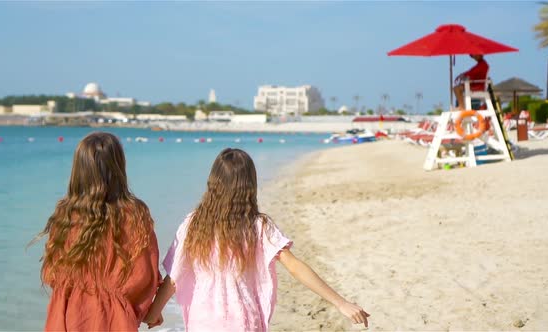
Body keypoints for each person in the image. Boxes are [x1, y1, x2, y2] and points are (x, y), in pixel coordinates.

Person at [143, 148, 369, 331]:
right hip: (243, 321)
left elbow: (174, 277)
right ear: (249, 185)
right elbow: (294, 266)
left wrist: (153, 313)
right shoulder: (258, 226)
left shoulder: (193, 224)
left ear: (213, 183)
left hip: (202, 322)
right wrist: (340, 302)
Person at [31, 132, 161, 331]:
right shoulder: (134, 213)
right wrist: (146, 310)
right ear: (119, 166)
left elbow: (53, 273)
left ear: (79, 170)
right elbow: (142, 275)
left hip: (66, 315)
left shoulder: (66, 213)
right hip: (112, 319)